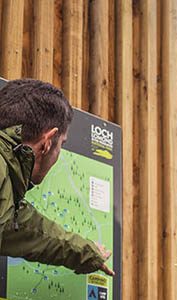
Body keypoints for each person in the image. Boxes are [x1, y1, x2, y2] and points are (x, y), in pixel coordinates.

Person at [0, 79, 114, 276]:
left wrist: (86, 252)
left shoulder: (6, 183)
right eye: (62, 143)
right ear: (47, 142)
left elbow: (22, 226)